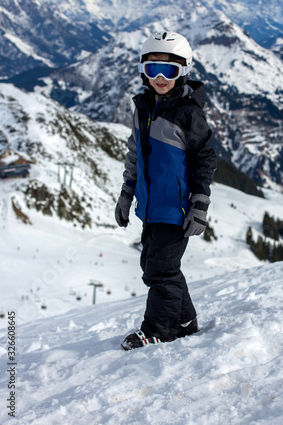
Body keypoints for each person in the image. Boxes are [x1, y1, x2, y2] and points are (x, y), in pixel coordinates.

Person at [115, 31, 216, 350]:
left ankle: (159, 328)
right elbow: (135, 154)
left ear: (184, 70)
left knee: (160, 270)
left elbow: (204, 158)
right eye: (153, 68)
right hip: (150, 206)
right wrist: (126, 193)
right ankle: (184, 320)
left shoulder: (188, 113)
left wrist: (199, 205)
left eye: (169, 70)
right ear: (143, 71)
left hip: (176, 207)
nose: (160, 77)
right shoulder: (143, 107)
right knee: (155, 265)